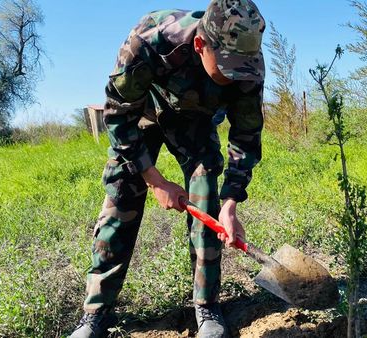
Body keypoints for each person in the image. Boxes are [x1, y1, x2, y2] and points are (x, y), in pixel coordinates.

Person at [70, 1, 265, 337]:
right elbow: (117, 114)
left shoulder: (247, 62)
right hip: (141, 114)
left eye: (242, 69)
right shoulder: (151, 38)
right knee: (120, 198)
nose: (235, 78)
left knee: (206, 197)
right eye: (227, 68)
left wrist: (231, 201)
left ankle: (207, 307)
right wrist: (154, 180)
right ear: (201, 45)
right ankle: (95, 314)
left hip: (195, 122)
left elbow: (246, 136)